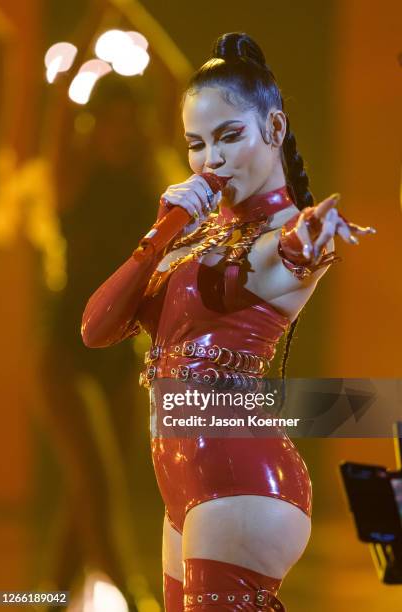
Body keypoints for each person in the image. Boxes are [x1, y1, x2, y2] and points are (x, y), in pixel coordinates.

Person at [81, 33, 375, 611]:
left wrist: (309, 238)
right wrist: (161, 231)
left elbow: (287, 251)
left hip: (243, 483)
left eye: (229, 136)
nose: (210, 160)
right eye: (196, 143)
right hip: (187, 488)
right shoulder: (198, 232)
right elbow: (96, 329)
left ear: (274, 129)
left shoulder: (278, 234)